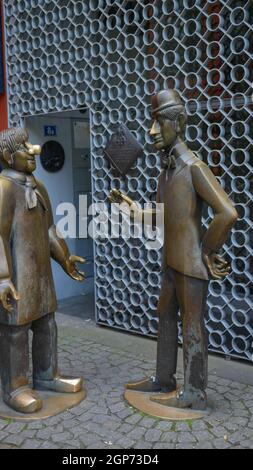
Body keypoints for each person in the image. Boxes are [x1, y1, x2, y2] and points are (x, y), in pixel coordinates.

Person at [109, 89, 237, 409]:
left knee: (192, 323)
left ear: (178, 123)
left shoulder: (193, 167)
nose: (152, 131)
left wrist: (207, 250)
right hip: (171, 261)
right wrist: (134, 210)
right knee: (165, 313)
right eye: (151, 123)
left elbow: (227, 212)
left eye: (158, 122)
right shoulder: (166, 172)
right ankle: (164, 378)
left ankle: (194, 391)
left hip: (191, 263)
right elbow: (164, 215)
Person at [0, 127, 86, 413]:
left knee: (46, 325)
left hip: (39, 274)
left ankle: (47, 375)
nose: (33, 150)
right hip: (16, 274)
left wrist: (64, 257)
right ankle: (14, 387)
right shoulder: (1, 189)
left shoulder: (37, 186)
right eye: (24, 146)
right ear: (7, 155)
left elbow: (50, 229)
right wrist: (3, 277)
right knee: (15, 331)